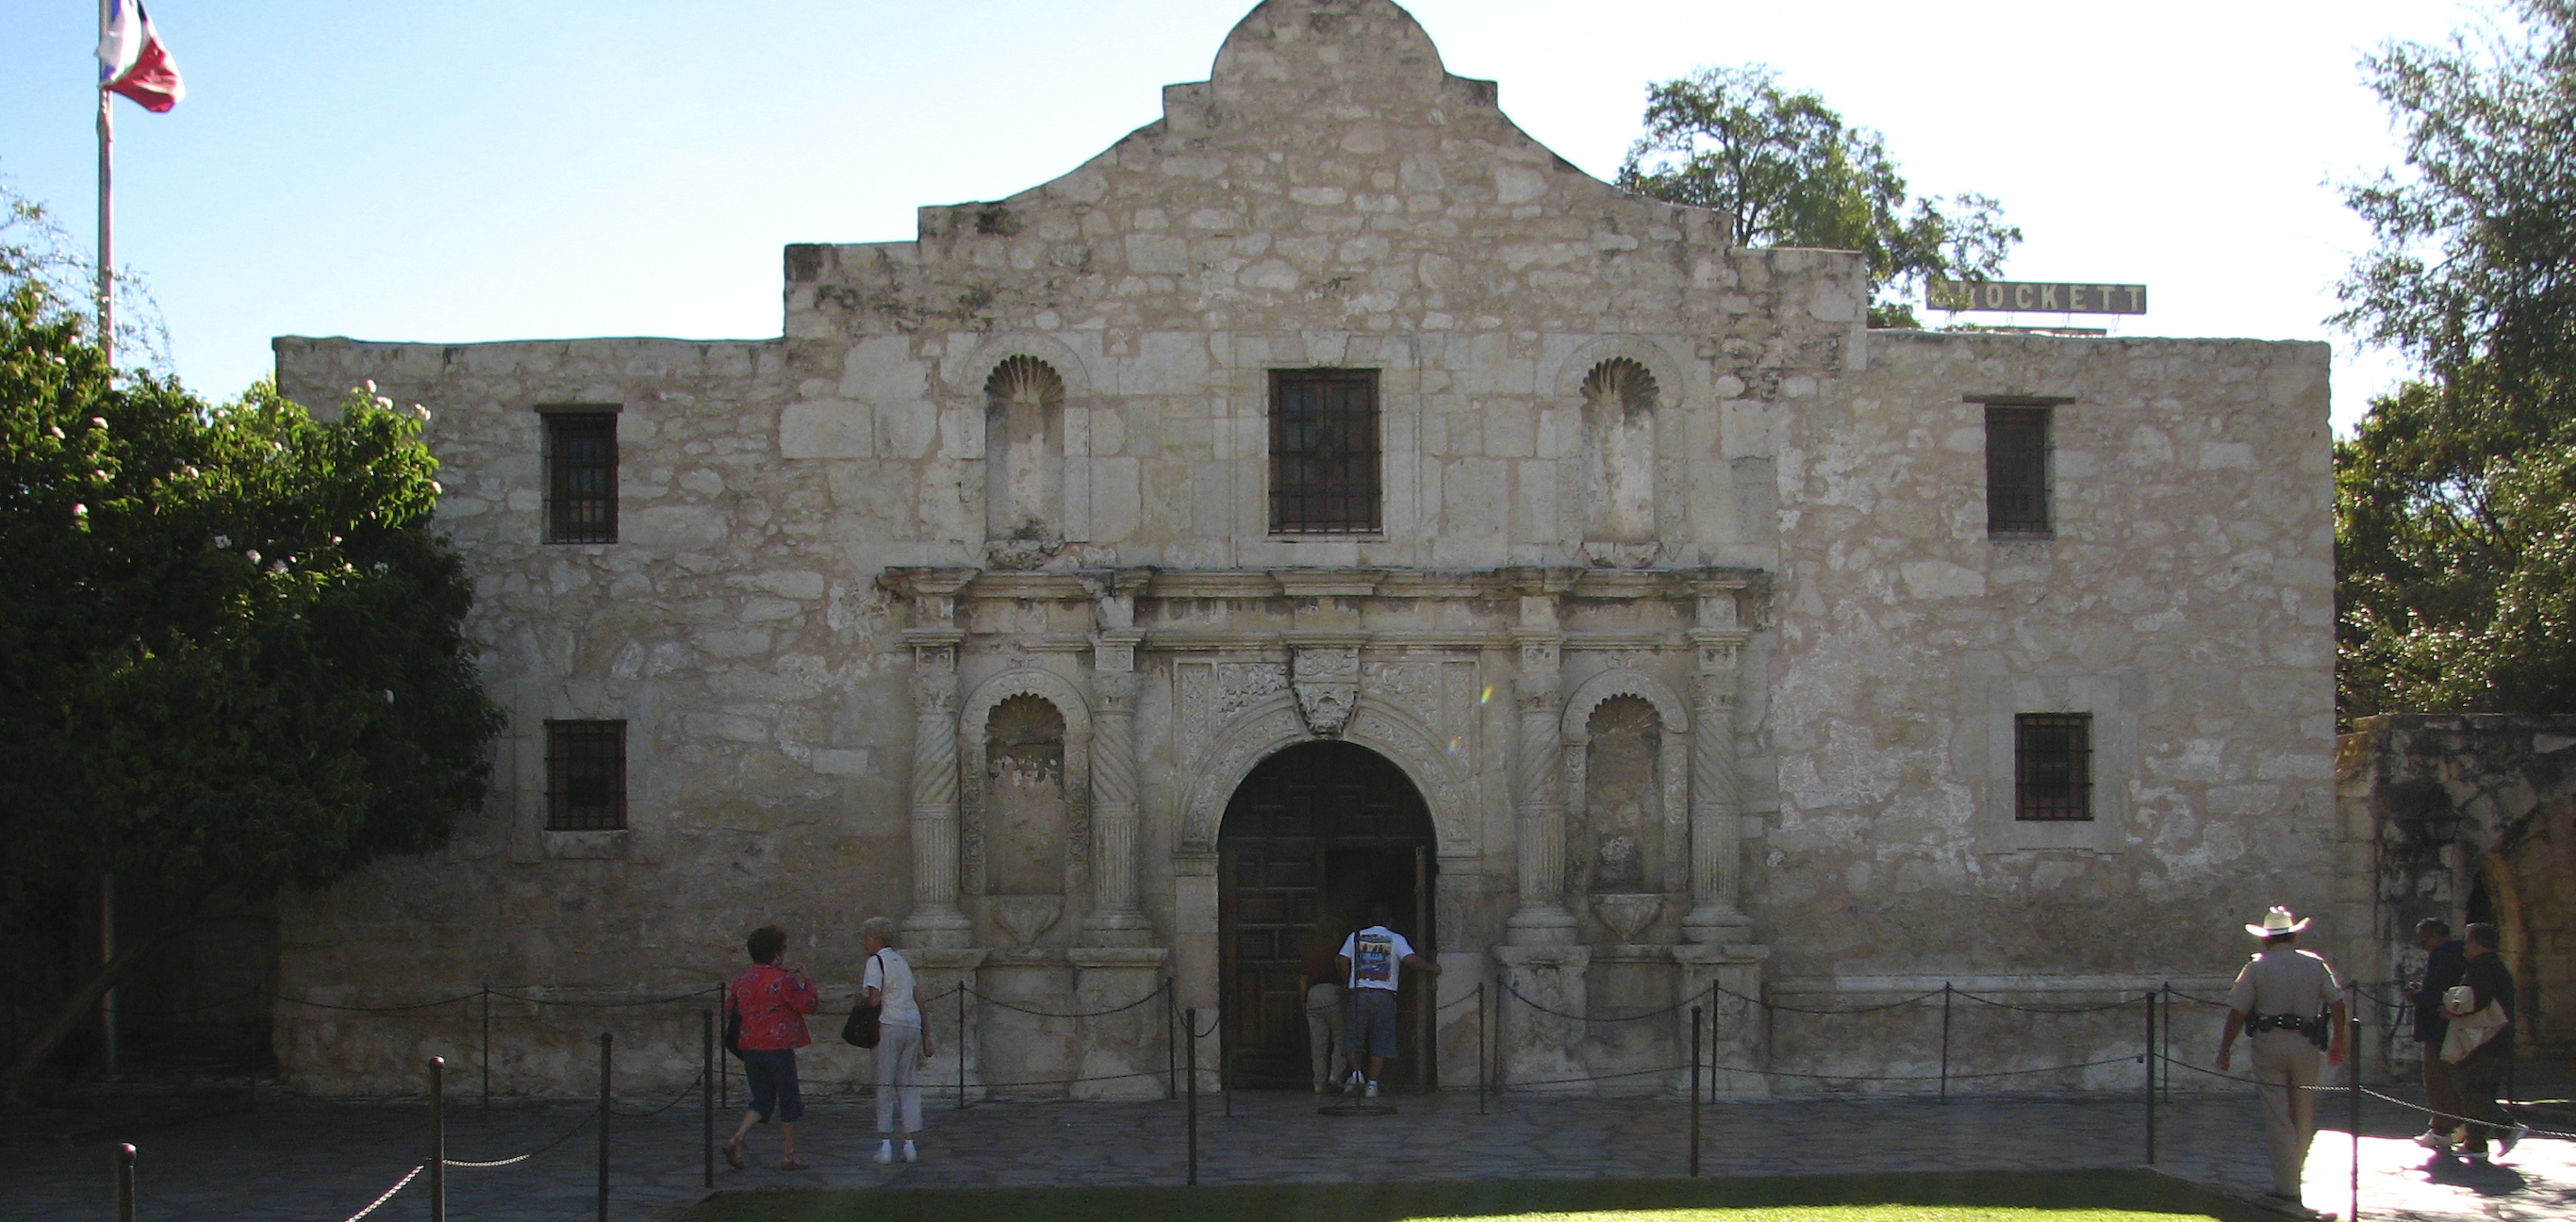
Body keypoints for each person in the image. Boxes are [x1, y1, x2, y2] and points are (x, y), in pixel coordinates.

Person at [2216, 906, 2347, 1213]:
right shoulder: (2314, 965)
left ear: (2266, 941)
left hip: (2270, 1042)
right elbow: (2337, 1002)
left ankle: (2287, 1187)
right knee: (2303, 1113)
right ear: (2293, 936)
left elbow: (2238, 1012)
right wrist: (2339, 1038)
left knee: (2278, 1114)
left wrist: (2225, 1049)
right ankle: (2293, 1178)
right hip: (2306, 1043)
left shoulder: (2257, 968)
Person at [720, 925, 818, 1172]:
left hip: (750, 1047)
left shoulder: (741, 981)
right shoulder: (781, 979)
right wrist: (807, 980)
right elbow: (808, 1004)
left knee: (762, 1098)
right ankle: (788, 1154)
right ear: (776, 953)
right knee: (789, 1099)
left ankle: (738, 1137)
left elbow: (728, 1009)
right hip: (777, 1046)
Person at [1336, 906, 1438, 1099]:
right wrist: (1433, 968)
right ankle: (1372, 1085)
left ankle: (1357, 1075)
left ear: (1369, 921)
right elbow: (1411, 960)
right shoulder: (1396, 939)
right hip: (1384, 995)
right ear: (1389, 922)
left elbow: (1341, 959)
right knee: (1381, 1040)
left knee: (1353, 1038)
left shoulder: (1355, 936)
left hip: (1359, 994)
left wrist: (1347, 981)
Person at [2446, 922, 2525, 1164]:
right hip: (2495, 1038)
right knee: (2481, 1090)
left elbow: (2475, 1000)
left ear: (2477, 943)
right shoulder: (2493, 965)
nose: (2465, 946)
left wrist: (2452, 1007)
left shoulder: (2484, 966)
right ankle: (2475, 1142)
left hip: (2485, 1039)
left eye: (2468, 941)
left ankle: (2506, 1127)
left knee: (2467, 1088)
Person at [860, 916, 934, 1164]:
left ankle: (885, 1143)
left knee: (884, 1083)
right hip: (911, 1024)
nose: (865, 943)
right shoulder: (902, 962)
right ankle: (910, 1142)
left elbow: (874, 999)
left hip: (890, 1024)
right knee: (908, 1083)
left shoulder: (875, 962)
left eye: (868, 938)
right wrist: (927, 1034)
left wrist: (856, 1001)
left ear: (877, 939)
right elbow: (918, 998)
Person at [2403, 917, 2469, 1153]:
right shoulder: (2460, 952)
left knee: (2437, 1077)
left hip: (2438, 1027)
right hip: (2455, 1025)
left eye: (2424, 941)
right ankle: (2460, 1124)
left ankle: (2442, 1129)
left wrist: (2417, 995)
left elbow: (2436, 994)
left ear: (2433, 937)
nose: (2425, 946)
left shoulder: (2443, 955)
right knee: (2453, 1078)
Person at [1300, 944, 1346, 1095]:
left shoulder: (1310, 954)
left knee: (1317, 1043)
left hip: (1313, 994)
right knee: (1341, 1039)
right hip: (1334, 994)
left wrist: (1303, 1000)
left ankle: (1319, 1083)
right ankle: (1335, 1076)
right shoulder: (1340, 952)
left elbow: (1302, 979)